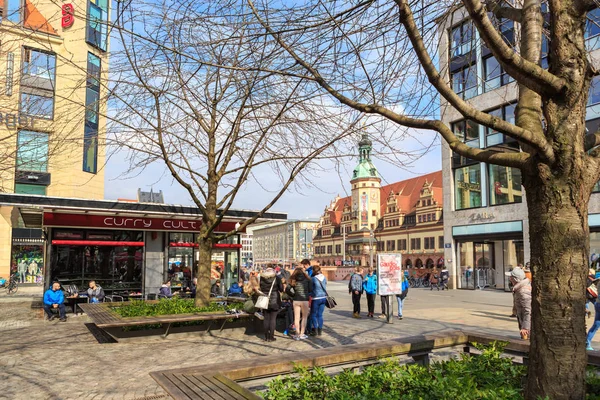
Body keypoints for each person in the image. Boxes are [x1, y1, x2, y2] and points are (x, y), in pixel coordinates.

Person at [505, 267, 531, 340]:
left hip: (527, 326)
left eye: (511, 277)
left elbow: (528, 310)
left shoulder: (523, 291)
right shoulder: (519, 288)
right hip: (523, 320)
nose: (510, 279)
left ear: (516, 279)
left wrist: (525, 328)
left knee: (527, 341)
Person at [259, 266, 283, 342]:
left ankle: (266, 336)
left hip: (265, 300)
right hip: (275, 300)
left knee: (266, 318)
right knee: (273, 319)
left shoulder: (262, 278)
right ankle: (271, 336)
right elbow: (281, 289)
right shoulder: (277, 278)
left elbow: (260, 288)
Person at [290, 266, 313, 340]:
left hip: (296, 300)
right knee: (304, 317)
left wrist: (293, 294)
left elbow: (287, 289)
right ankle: (302, 334)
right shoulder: (308, 279)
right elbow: (310, 289)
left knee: (296, 317)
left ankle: (297, 334)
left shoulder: (293, 279)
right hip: (304, 300)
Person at [309, 265, 327, 336]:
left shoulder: (313, 279)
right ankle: (320, 330)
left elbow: (310, 289)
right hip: (323, 297)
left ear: (313, 271)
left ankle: (315, 331)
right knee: (320, 315)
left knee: (313, 315)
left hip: (316, 298)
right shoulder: (324, 277)